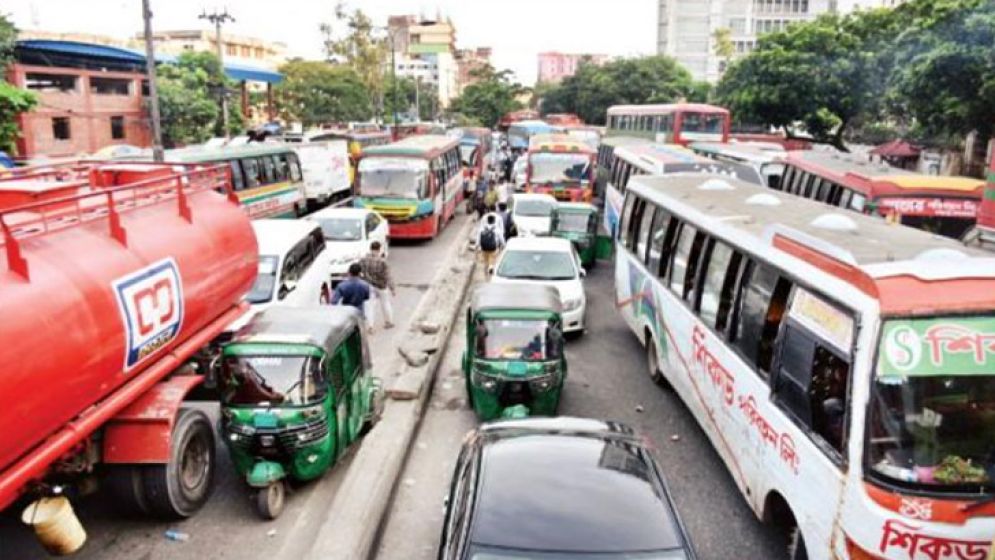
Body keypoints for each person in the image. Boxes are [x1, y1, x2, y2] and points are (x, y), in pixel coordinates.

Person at [359, 240, 395, 332]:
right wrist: (392, 288)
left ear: (370, 248)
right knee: (385, 303)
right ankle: (389, 322)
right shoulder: (382, 261)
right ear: (379, 249)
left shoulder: (363, 260)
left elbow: (359, 271)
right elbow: (388, 276)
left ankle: (370, 326)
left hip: (369, 285)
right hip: (381, 286)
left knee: (369, 306)